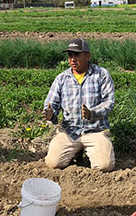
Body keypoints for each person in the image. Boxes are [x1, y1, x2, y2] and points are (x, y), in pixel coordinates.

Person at [43, 38, 115, 172]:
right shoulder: (62, 78)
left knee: (104, 166)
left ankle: (89, 150)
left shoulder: (101, 75)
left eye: (77, 55)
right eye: (70, 55)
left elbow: (109, 102)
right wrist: (50, 113)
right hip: (70, 131)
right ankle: (75, 152)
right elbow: (51, 103)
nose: (72, 59)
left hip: (95, 130)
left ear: (87, 56)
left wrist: (92, 113)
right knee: (53, 163)